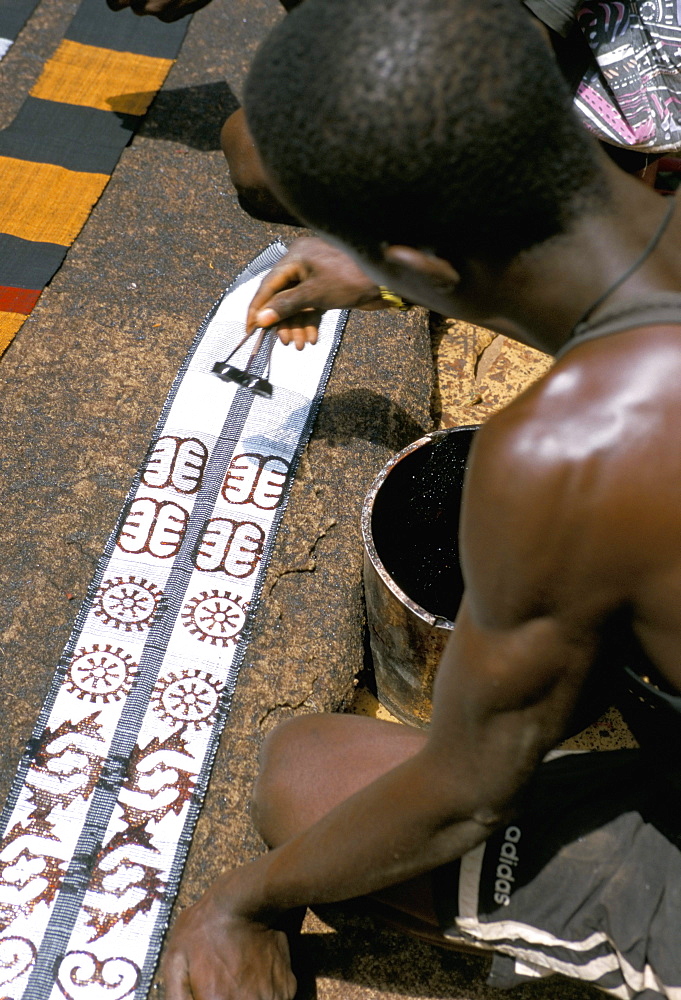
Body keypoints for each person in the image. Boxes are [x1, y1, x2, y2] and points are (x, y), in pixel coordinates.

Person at [159, 0, 681, 998]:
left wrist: (246, 901)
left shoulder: (564, 460)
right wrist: (394, 278)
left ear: (422, 252)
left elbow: (460, 796)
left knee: (306, 781)